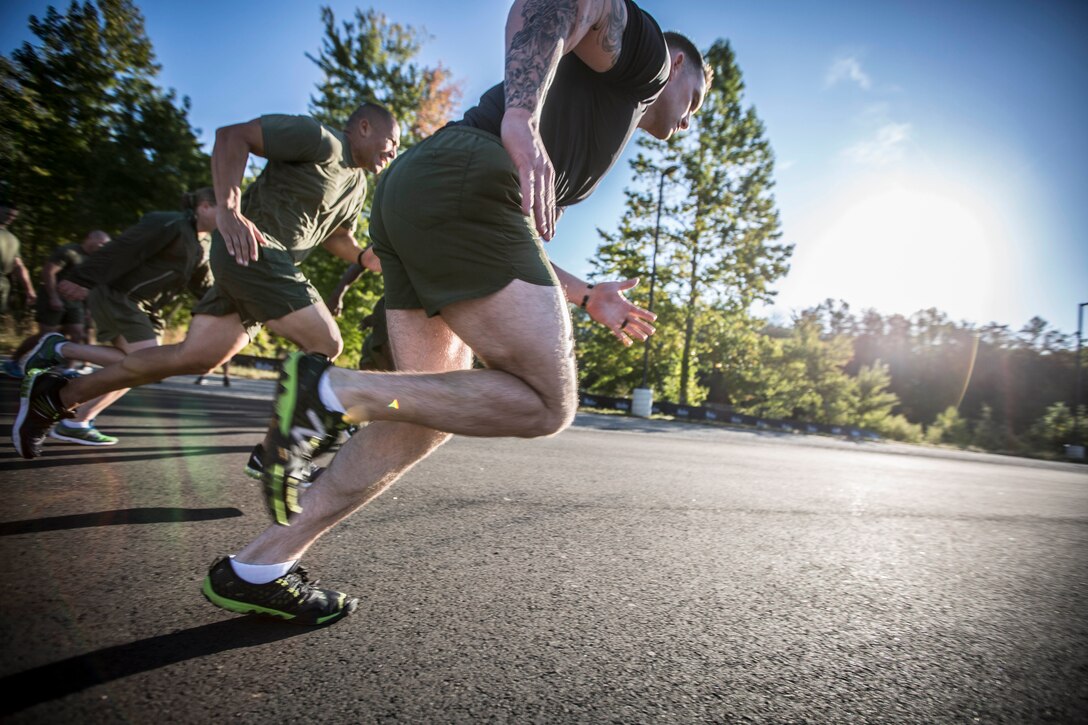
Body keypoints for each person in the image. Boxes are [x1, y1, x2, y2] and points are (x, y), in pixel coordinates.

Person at [202, 0, 710, 625]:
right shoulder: (651, 62)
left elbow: (504, 241)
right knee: (548, 403)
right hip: (465, 176)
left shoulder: (602, 109)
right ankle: (328, 389)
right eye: (698, 96)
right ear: (680, 63)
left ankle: (259, 566)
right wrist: (521, 116)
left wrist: (585, 295)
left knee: (418, 414)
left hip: (425, 187)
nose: (692, 117)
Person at [12, 103, 397, 460]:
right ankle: (276, 454)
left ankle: (58, 396)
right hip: (254, 251)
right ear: (364, 127)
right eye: (391, 142)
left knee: (193, 357)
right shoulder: (319, 138)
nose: (392, 153)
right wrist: (229, 209)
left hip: (259, 272)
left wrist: (364, 257)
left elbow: (334, 235)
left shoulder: (357, 187)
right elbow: (233, 136)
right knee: (326, 341)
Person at [17, 188, 218, 446]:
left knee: (141, 370)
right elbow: (124, 247)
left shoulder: (204, 242)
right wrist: (84, 277)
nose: (232, 216)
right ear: (204, 206)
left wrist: (235, 309)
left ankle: (77, 421)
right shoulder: (170, 223)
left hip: (146, 309)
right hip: (119, 296)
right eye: (226, 209)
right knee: (147, 363)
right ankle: (59, 348)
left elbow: (203, 286)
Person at [10, 229, 110, 372]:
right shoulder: (69, 251)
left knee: (77, 333)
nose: (102, 247)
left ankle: (69, 369)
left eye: (105, 245)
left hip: (75, 301)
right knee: (47, 336)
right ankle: (16, 359)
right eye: (100, 243)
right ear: (89, 239)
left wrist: (88, 308)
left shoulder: (96, 260)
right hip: (53, 296)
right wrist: (53, 297)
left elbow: (90, 285)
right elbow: (48, 272)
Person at [0, 203, 37, 326]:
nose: (10, 217)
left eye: (13, 216)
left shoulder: (13, 239)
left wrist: (29, 290)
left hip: (3, 284)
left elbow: (19, 266)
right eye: (7, 214)